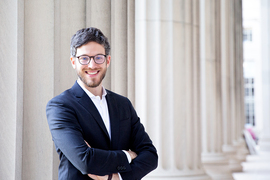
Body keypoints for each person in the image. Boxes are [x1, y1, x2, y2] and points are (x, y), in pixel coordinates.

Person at [46, 27, 158, 180]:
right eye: (84, 58)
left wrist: (116, 177)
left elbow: (150, 156)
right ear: (73, 62)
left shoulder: (123, 104)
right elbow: (86, 161)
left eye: (98, 57)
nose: (92, 65)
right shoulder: (60, 106)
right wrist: (127, 155)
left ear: (108, 60)